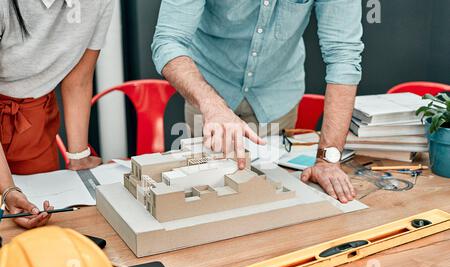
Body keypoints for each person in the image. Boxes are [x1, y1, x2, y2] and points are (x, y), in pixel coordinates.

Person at [152, 0, 364, 204]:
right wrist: (213, 106)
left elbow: (343, 57)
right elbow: (168, 41)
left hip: (277, 98)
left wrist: (327, 161)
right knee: (205, 195)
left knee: (273, 196)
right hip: (208, 93)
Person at [0, 0, 115, 229]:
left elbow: (78, 80)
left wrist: (78, 156)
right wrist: (7, 190)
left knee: (37, 219)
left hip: (35, 121)